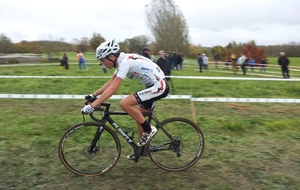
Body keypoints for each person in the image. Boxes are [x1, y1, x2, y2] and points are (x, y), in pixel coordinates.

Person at [81, 40, 169, 160]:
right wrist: (93, 95)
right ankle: (142, 149)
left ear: (111, 57)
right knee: (139, 116)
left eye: (102, 60)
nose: (102, 64)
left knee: (125, 103)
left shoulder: (124, 62)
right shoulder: (121, 60)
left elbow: (113, 89)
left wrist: (93, 105)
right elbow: (111, 82)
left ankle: (149, 130)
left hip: (159, 86)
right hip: (153, 85)